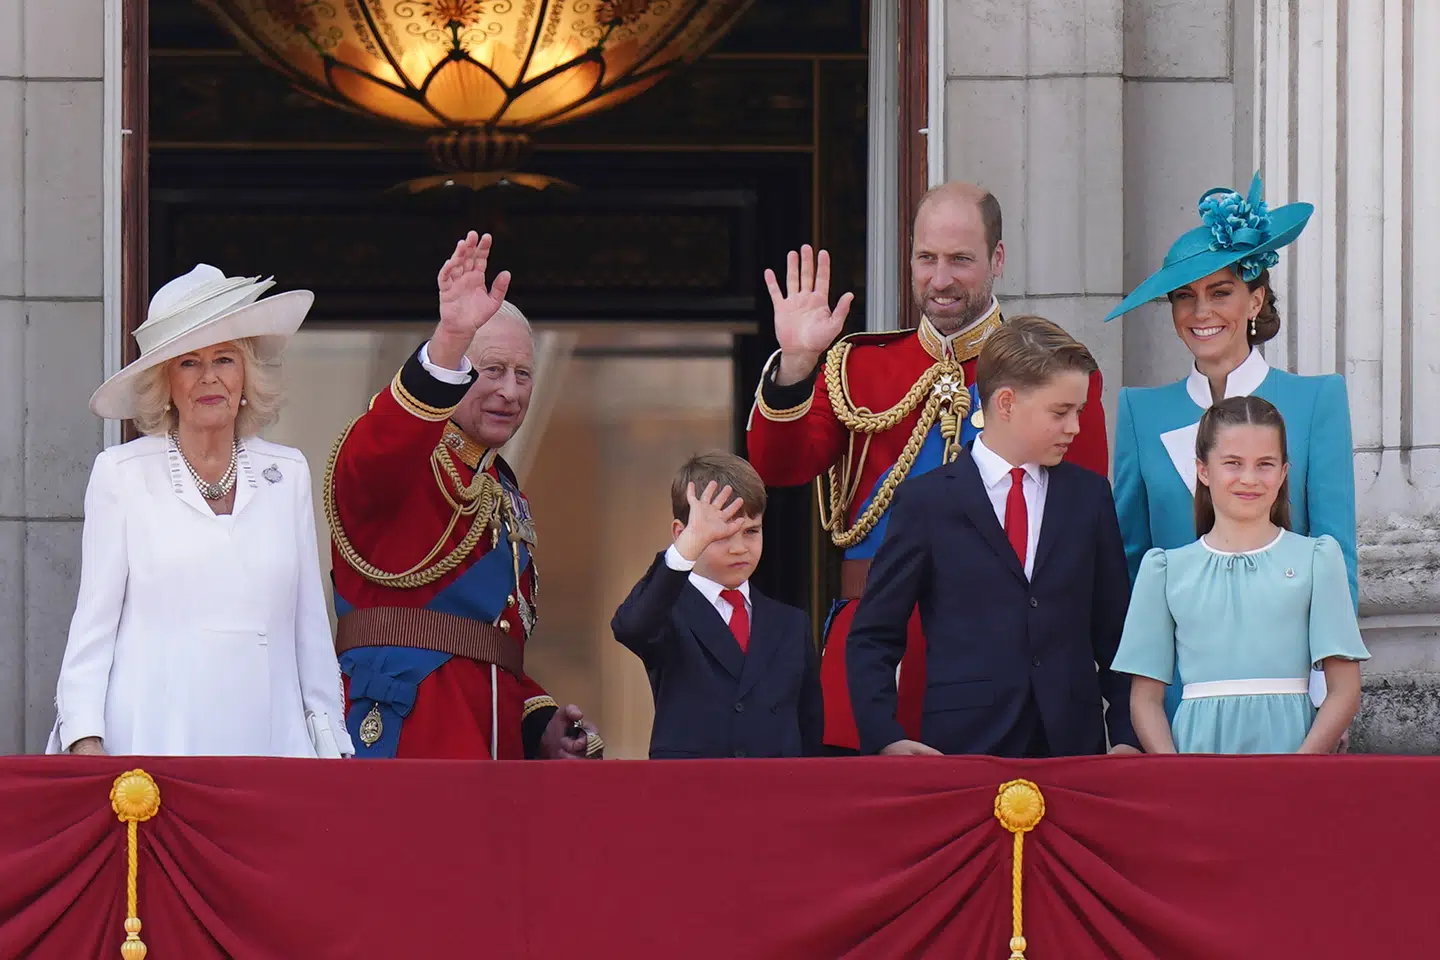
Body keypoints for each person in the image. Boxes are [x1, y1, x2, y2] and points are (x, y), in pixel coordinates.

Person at [746, 182, 1111, 754]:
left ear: (996, 260)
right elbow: (779, 467)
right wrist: (796, 364)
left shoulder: (1053, 377)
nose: (940, 279)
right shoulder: (860, 365)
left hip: (1005, 657)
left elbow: (1075, 532)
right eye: (926, 259)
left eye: (960, 260)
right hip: (875, 644)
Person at [48, 264, 352, 758]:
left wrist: (329, 745)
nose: (209, 377)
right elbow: (92, 629)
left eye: (225, 359)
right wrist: (85, 740)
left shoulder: (287, 473)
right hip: (152, 747)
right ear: (164, 382)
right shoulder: (121, 475)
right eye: (188, 362)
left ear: (246, 374)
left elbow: (310, 631)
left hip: (272, 748)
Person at [326, 231, 599, 760]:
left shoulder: (500, 487)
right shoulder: (405, 457)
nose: (511, 391)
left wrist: (537, 722)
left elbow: (485, 648)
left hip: (485, 755)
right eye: (492, 370)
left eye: (523, 374)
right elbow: (378, 450)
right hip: (405, 740)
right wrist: (449, 341)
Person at [1106, 173, 1357, 721]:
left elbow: (1337, 552)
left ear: (1255, 299)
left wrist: (1326, 695)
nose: (1202, 313)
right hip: (1175, 700)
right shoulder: (1138, 412)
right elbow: (1128, 563)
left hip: (1288, 696)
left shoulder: (1316, 400)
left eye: (1220, 292)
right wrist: (1132, 707)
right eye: (1184, 297)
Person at [847, 316, 1137, 757]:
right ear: (1006, 403)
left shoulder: (1089, 497)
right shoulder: (926, 502)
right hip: (965, 748)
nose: (1075, 428)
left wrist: (1127, 737)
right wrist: (885, 737)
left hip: (1073, 747)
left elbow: (1115, 631)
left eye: (1077, 412)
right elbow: (874, 635)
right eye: (1060, 412)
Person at [1114, 397, 1368, 754]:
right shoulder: (1164, 570)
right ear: (1203, 470)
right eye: (1232, 463)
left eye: (1265, 464)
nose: (1249, 478)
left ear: (1283, 473)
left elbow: (1344, 689)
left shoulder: (1316, 559)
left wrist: (1300, 767)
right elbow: (1145, 699)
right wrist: (1173, 772)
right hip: (1195, 762)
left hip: (1292, 756)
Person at [611, 453, 823, 759]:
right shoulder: (667, 609)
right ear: (681, 534)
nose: (739, 548)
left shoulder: (791, 623)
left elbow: (809, 729)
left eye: (751, 531)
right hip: (694, 794)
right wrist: (690, 545)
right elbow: (631, 628)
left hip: (776, 796)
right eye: (720, 535)